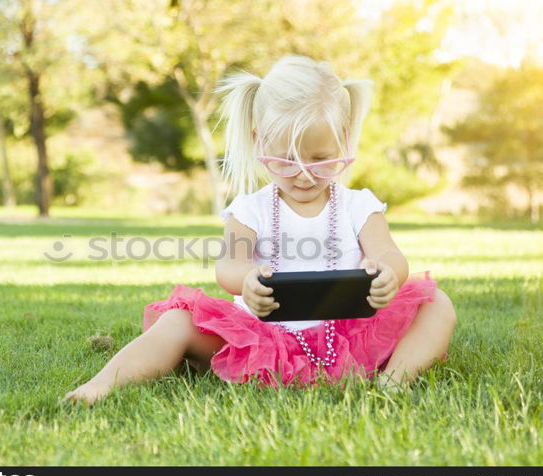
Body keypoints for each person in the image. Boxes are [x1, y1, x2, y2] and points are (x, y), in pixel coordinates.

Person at [64, 55, 457, 406]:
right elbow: (229, 266)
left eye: (321, 160)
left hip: (348, 335)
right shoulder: (249, 210)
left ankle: (393, 381)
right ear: (258, 141)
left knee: (436, 303)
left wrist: (390, 273)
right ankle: (102, 385)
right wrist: (247, 280)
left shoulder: (359, 205)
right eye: (286, 160)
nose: (303, 175)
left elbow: (388, 253)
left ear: (344, 142)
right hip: (260, 334)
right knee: (177, 322)